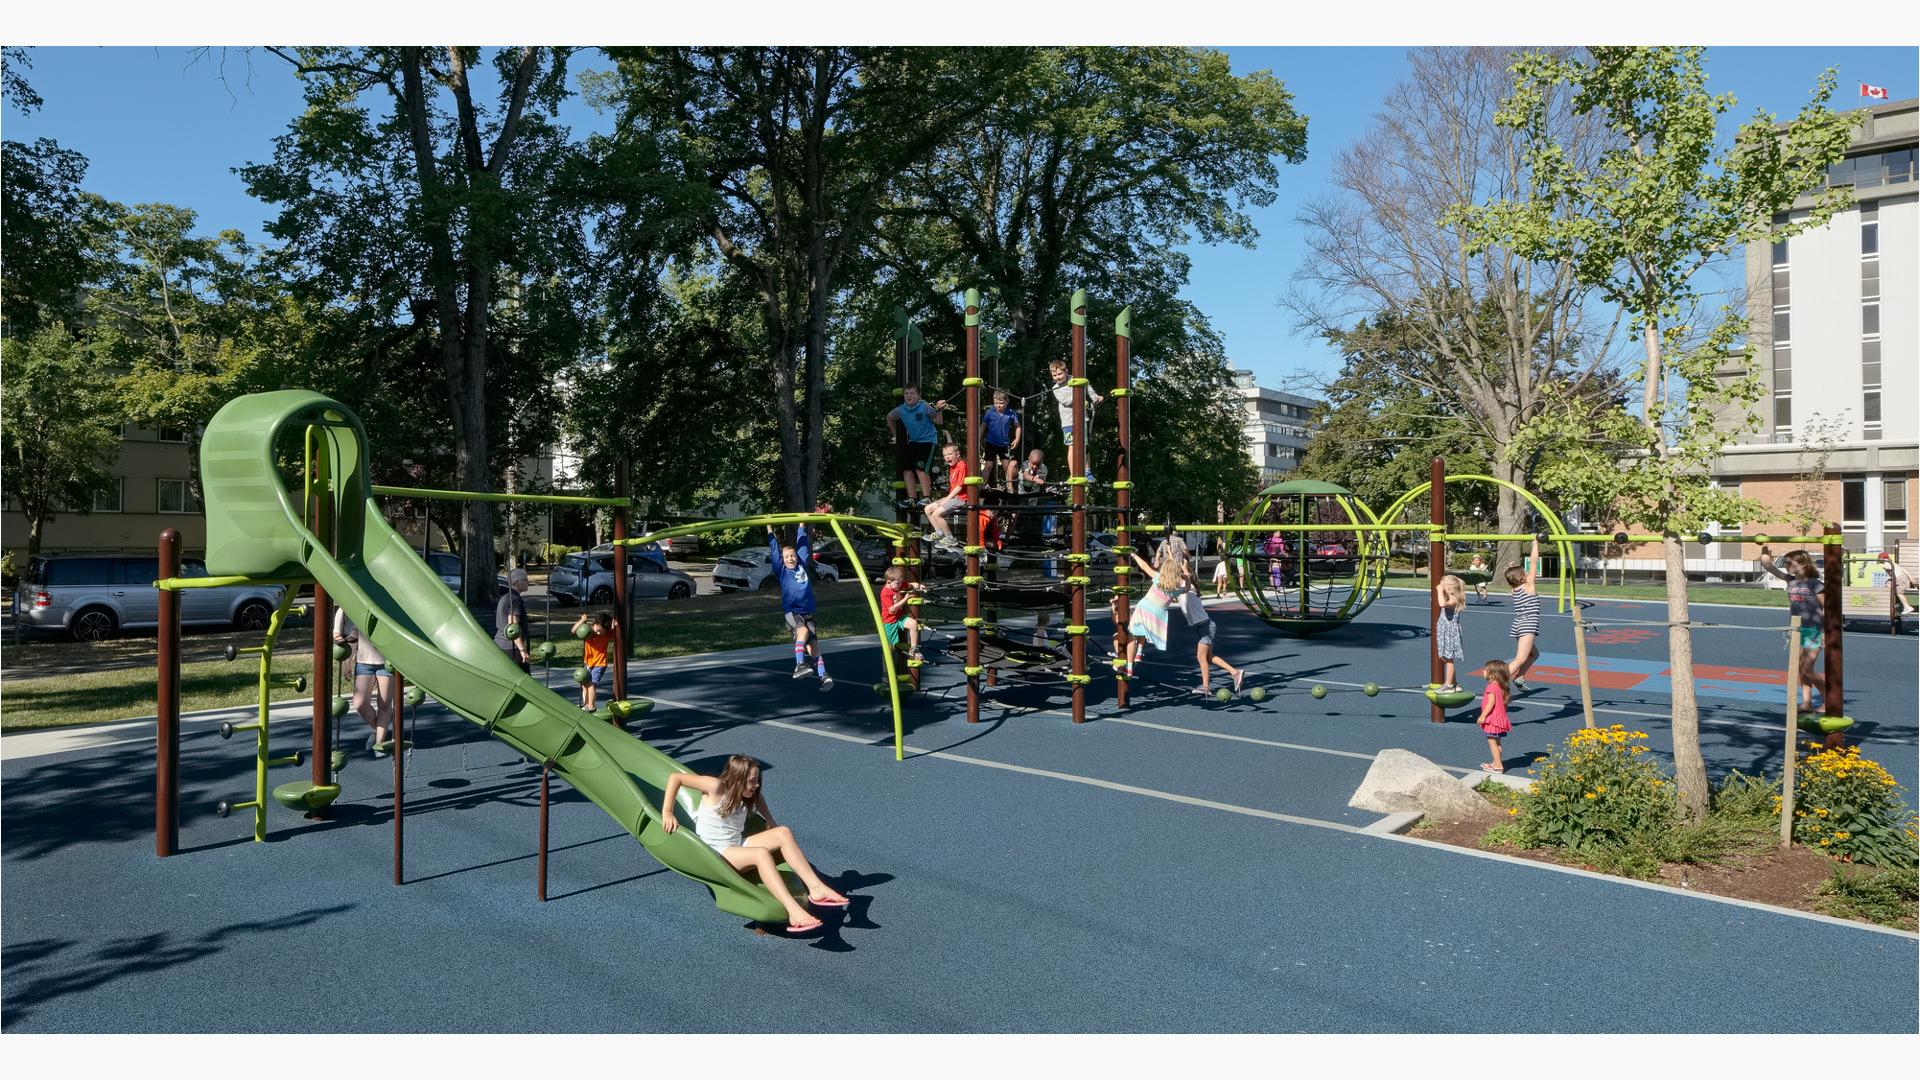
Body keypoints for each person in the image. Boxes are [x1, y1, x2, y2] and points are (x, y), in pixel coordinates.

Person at [660, 755, 849, 934]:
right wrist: (667, 812)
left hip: (735, 845)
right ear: (737, 777)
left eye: (757, 780)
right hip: (715, 854)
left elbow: (759, 798)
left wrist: (770, 821)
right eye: (751, 780)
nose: (756, 785)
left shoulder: (748, 795)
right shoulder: (715, 786)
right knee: (760, 854)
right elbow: (676, 777)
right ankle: (794, 912)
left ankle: (815, 888)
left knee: (783, 832)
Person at [1758, 546, 1826, 710]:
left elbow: (1825, 608)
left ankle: (1828, 698)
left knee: (1807, 668)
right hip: (1797, 630)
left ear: (1804, 564)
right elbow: (1768, 567)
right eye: (1788, 564)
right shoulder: (1791, 580)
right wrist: (1765, 551)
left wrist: (1825, 632)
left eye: (1792, 563)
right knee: (1800, 669)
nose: (1789, 567)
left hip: (1814, 629)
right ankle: (1807, 702)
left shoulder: (1816, 584)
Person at [766, 524, 832, 689]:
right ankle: (799, 665)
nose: (790, 559)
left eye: (793, 556)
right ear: (783, 559)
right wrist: (769, 530)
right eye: (787, 556)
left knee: (814, 647)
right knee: (802, 631)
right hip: (792, 612)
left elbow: (802, 546)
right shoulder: (781, 570)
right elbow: (775, 552)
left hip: (808, 613)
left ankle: (823, 676)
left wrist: (802, 526)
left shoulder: (802, 565)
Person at [334, 608, 395, 756]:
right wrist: (348, 662)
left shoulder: (391, 612)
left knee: (384, 704)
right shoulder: (362, 610)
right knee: (359, 704)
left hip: (387, 663)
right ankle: (378, 728)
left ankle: (380, 744)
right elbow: (353, 636)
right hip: (364, 663)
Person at [886, 386, 948, 504]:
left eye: (912, 393)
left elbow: (938, 421)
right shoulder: (901, 410)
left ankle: (927, 497)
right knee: (906, 470)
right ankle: (912, 499)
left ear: (919, 396)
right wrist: (896, 436)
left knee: (920, 468)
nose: (909, 396)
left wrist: (939, 410)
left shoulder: (924, 406)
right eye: (907, 394)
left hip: (928, 441)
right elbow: (889, 417)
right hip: (914, 442)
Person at [1047, 358, 1103, 481]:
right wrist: (1080, 395)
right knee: (1072, 445)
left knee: (1085, 445)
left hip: (1082, 419)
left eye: (1060, 373)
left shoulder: (1075, 380)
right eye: (1054, 375)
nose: (1058, 377)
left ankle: (1087, 471)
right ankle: (1073, 474)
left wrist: (1094, 397)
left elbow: (1086, 384)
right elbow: (1067, 401)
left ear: (1066, 371)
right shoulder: (1056, 388)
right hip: (1069, 421)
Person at [1504, 537, 1541, 694]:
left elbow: (1513, 577)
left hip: (1519, 624)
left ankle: (1519, 677)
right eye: (1524, 572)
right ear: (1522, 577)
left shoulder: (1514, 589)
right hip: (1527, 625)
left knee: (1534, 654)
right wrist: (1535, 543)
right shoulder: (1529, 585)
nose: (1527, 573)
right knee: (1520, 658)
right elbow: (1533, 562)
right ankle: (1500, 678)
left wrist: (1512, 568)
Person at [924, 443, 968, 547]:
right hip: (953, 497)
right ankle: (939, 533)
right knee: (928, 509)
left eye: (949, 454)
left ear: (957, 454)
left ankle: (950, 538)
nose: (947, 457)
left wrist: (946, 499)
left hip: (961, 498)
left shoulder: (962, 465)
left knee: (936, 514)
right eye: (944, 455)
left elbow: (959, 487)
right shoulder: (952, 467)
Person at [572, 612, 614, 712]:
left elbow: (616, 631)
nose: (599, 633)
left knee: (591, 684)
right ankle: (586, 704)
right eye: (598, 630)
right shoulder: (587, 631)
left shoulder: (607, 634)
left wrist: (614, 624)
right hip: (588, 663)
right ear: (593, 624)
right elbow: (574, 631)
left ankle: (591, 706)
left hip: (600, 664)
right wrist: (582, 621)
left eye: (602, 632)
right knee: (584, 683)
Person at [1477, 659, 1513, 773]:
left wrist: (1483, 716)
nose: (1483, 672)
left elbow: (1490, 703)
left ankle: (1498, 766)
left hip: (1492, 720)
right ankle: (1495, 762)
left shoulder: (1491, 687)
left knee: (1492, 742)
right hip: (1500, 719)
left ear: (1492, 674)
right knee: (1497, 743)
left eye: (1486, 670)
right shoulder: (1500, 686)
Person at [982, 390, 1023, 492]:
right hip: (990, 442)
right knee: (988, 465)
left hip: (1003, 444)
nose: (998, 406)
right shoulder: (990, 412)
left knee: (1007, 466)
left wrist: (1017, 439)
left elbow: (1017, 426)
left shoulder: (1010, 413)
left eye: (1001, 403)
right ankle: (981, 485)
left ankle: (1009, 487)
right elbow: (983, 426)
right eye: (996, 403)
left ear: (1007, 402)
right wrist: (978, 438)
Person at [879, 566, 923, 660]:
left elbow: (910, 584)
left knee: (913, 624)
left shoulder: (897, 583)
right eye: (897, 584)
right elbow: (892, 609)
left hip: (899, 618)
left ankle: (913, 649)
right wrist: (905, 599)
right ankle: (886, 672)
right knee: (889, 648)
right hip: (889, 621)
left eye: (900, 583)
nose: (899, 585)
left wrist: (919, 585)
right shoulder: (885, 593)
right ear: (888, 582)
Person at [495, 567, 532, 673]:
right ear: (516, 582)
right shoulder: (515, 600)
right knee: (524, 681)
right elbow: (513, 627)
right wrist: (522, 649)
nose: (527, 582)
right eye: (525, 580)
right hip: (511, 647)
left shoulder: (505, 597)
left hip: (500, 643)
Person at [1434, 574, 1467, 692]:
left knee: (1449, 659)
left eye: (1443, 587)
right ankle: (1454, 683)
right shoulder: (1450, 597)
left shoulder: (1453, 599)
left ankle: (1448, 685)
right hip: (1445, 631)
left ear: (1450, 588)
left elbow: (1442, 604)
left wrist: (1439, 591)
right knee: (1446, 658)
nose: (1441, 589)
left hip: (1450, 633)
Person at [1018, 448, 1054, 539]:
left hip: (1034, 494)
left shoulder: (1044, 469)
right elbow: (1026, 475)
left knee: (1033, 514)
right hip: (1022, 493)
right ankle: (1021, 536)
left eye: (1037, 465)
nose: (1034, 466)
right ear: (1029, 459)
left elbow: (1043, 482)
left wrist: (1045, 487)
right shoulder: (1025, 464)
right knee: (1022, 513)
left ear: (1041, 462)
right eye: (1033, 463)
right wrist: (1035, 479)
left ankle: (1034, 536)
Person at [1879, 551, 1917, 617]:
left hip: (1899, 578)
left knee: (1899, 593)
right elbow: (1903, 570)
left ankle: (1907, 607)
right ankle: (1893, 603)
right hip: (1902, 577)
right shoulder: (1893, 563)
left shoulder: (1886, 564)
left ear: (1881, 559)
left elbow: (1892, 571)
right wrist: (1910, 577)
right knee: (1888, 584)